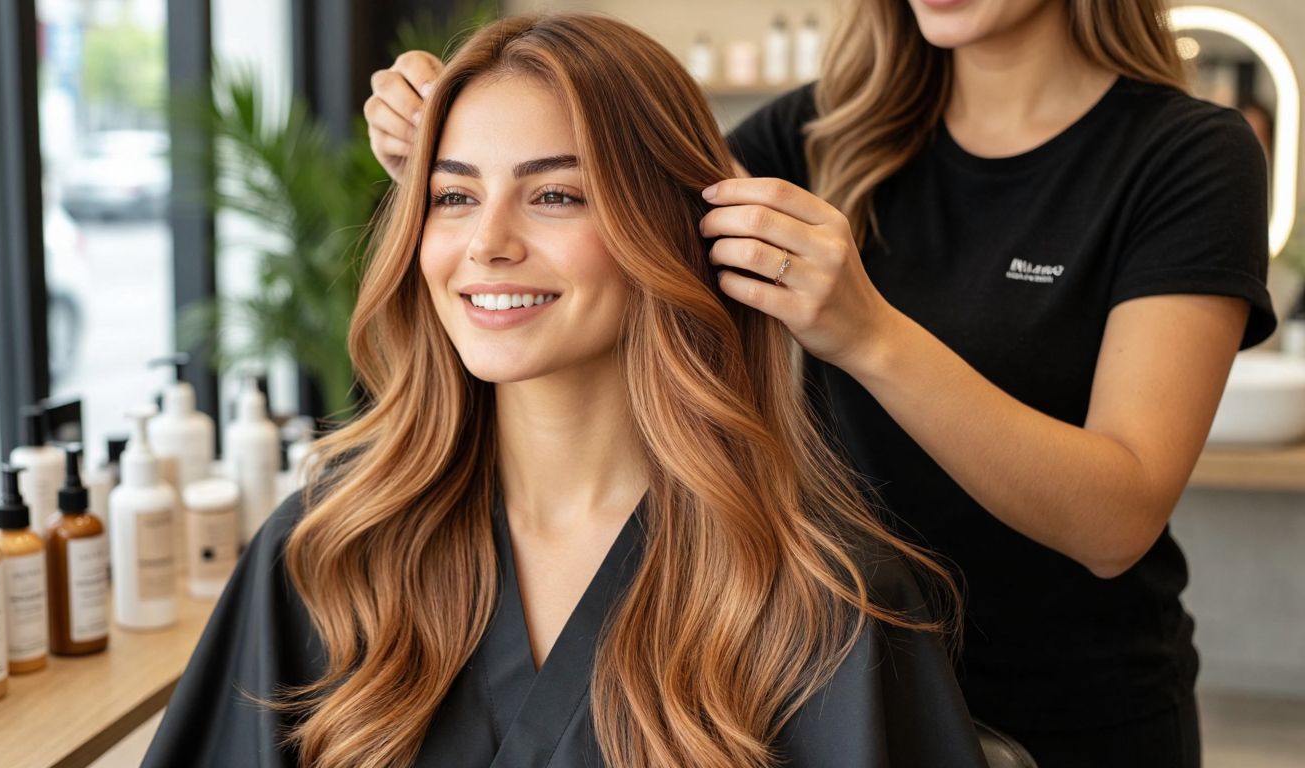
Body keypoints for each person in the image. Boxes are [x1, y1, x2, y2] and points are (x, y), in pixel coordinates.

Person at [366, 1, 1278, 766]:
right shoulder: (807, 138)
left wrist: (868, 331)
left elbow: (1117, 520)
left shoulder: (1184, 155)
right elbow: (613, 240)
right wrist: (459, 160)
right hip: (815, 680)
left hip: (1074, 710)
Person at [144, 14, 989, 768]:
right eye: (453, 194)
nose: (487, 242)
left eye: (554, 194)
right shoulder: (330, 555)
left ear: (670, 229)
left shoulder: (822, 606)